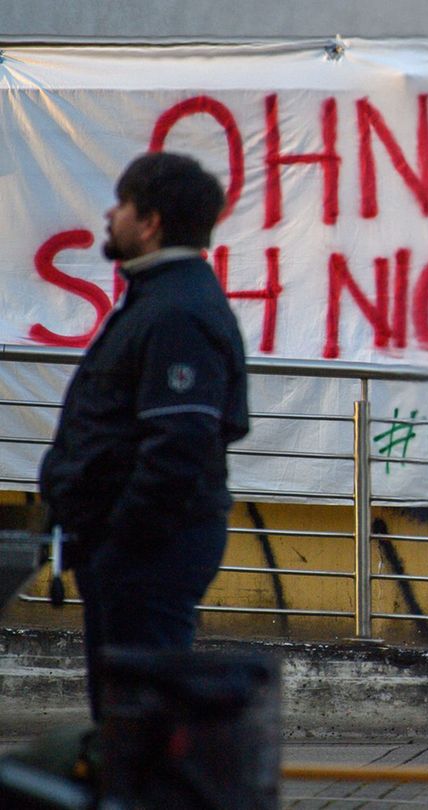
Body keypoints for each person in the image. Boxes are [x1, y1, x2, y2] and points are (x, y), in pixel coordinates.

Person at [39, 152, 250, 720]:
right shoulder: (161, 299)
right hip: (132, 551)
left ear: (150, 221)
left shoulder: (176, 311)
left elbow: (179, 442)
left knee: (142, 721)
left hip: (147, 554)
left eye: (123, 204)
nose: (110, 216)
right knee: (125, 716)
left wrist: (121, 539)